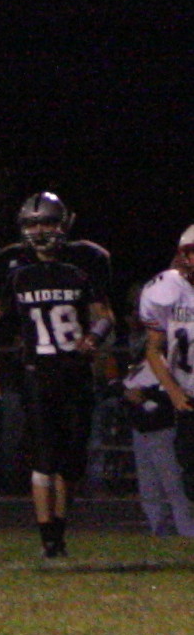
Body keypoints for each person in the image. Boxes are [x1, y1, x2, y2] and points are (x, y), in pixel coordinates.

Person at [0, 192, 116, 562]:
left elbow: (104, 315)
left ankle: (59, 529)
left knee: (72, 462)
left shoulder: (85, 260)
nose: (40, 231)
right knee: (44, 457)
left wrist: (94, 337)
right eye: (33, 223)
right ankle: (49, 538)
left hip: (77, 372)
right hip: (37, 373)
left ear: (64, 223)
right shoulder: (13, 265)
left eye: (48, 222)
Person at [125, 229, 194, 539]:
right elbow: (153, 349)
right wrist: (175, 392)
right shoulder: (167, 289)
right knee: (189, 477)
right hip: (188, 393)